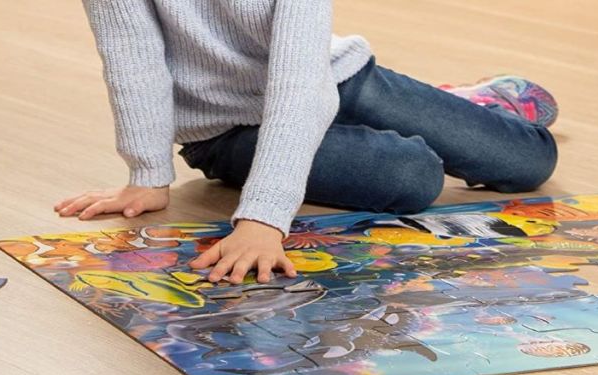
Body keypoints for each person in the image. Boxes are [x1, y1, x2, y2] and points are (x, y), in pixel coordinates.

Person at [55, 0, 558, 285]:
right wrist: (147, 172)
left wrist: (264, 217)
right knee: (413, 174)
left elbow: (299, 84)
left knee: (530, 161)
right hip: (225, 129)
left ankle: (467, 103)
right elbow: (132, 61)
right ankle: (443, 113)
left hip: (327, 78)